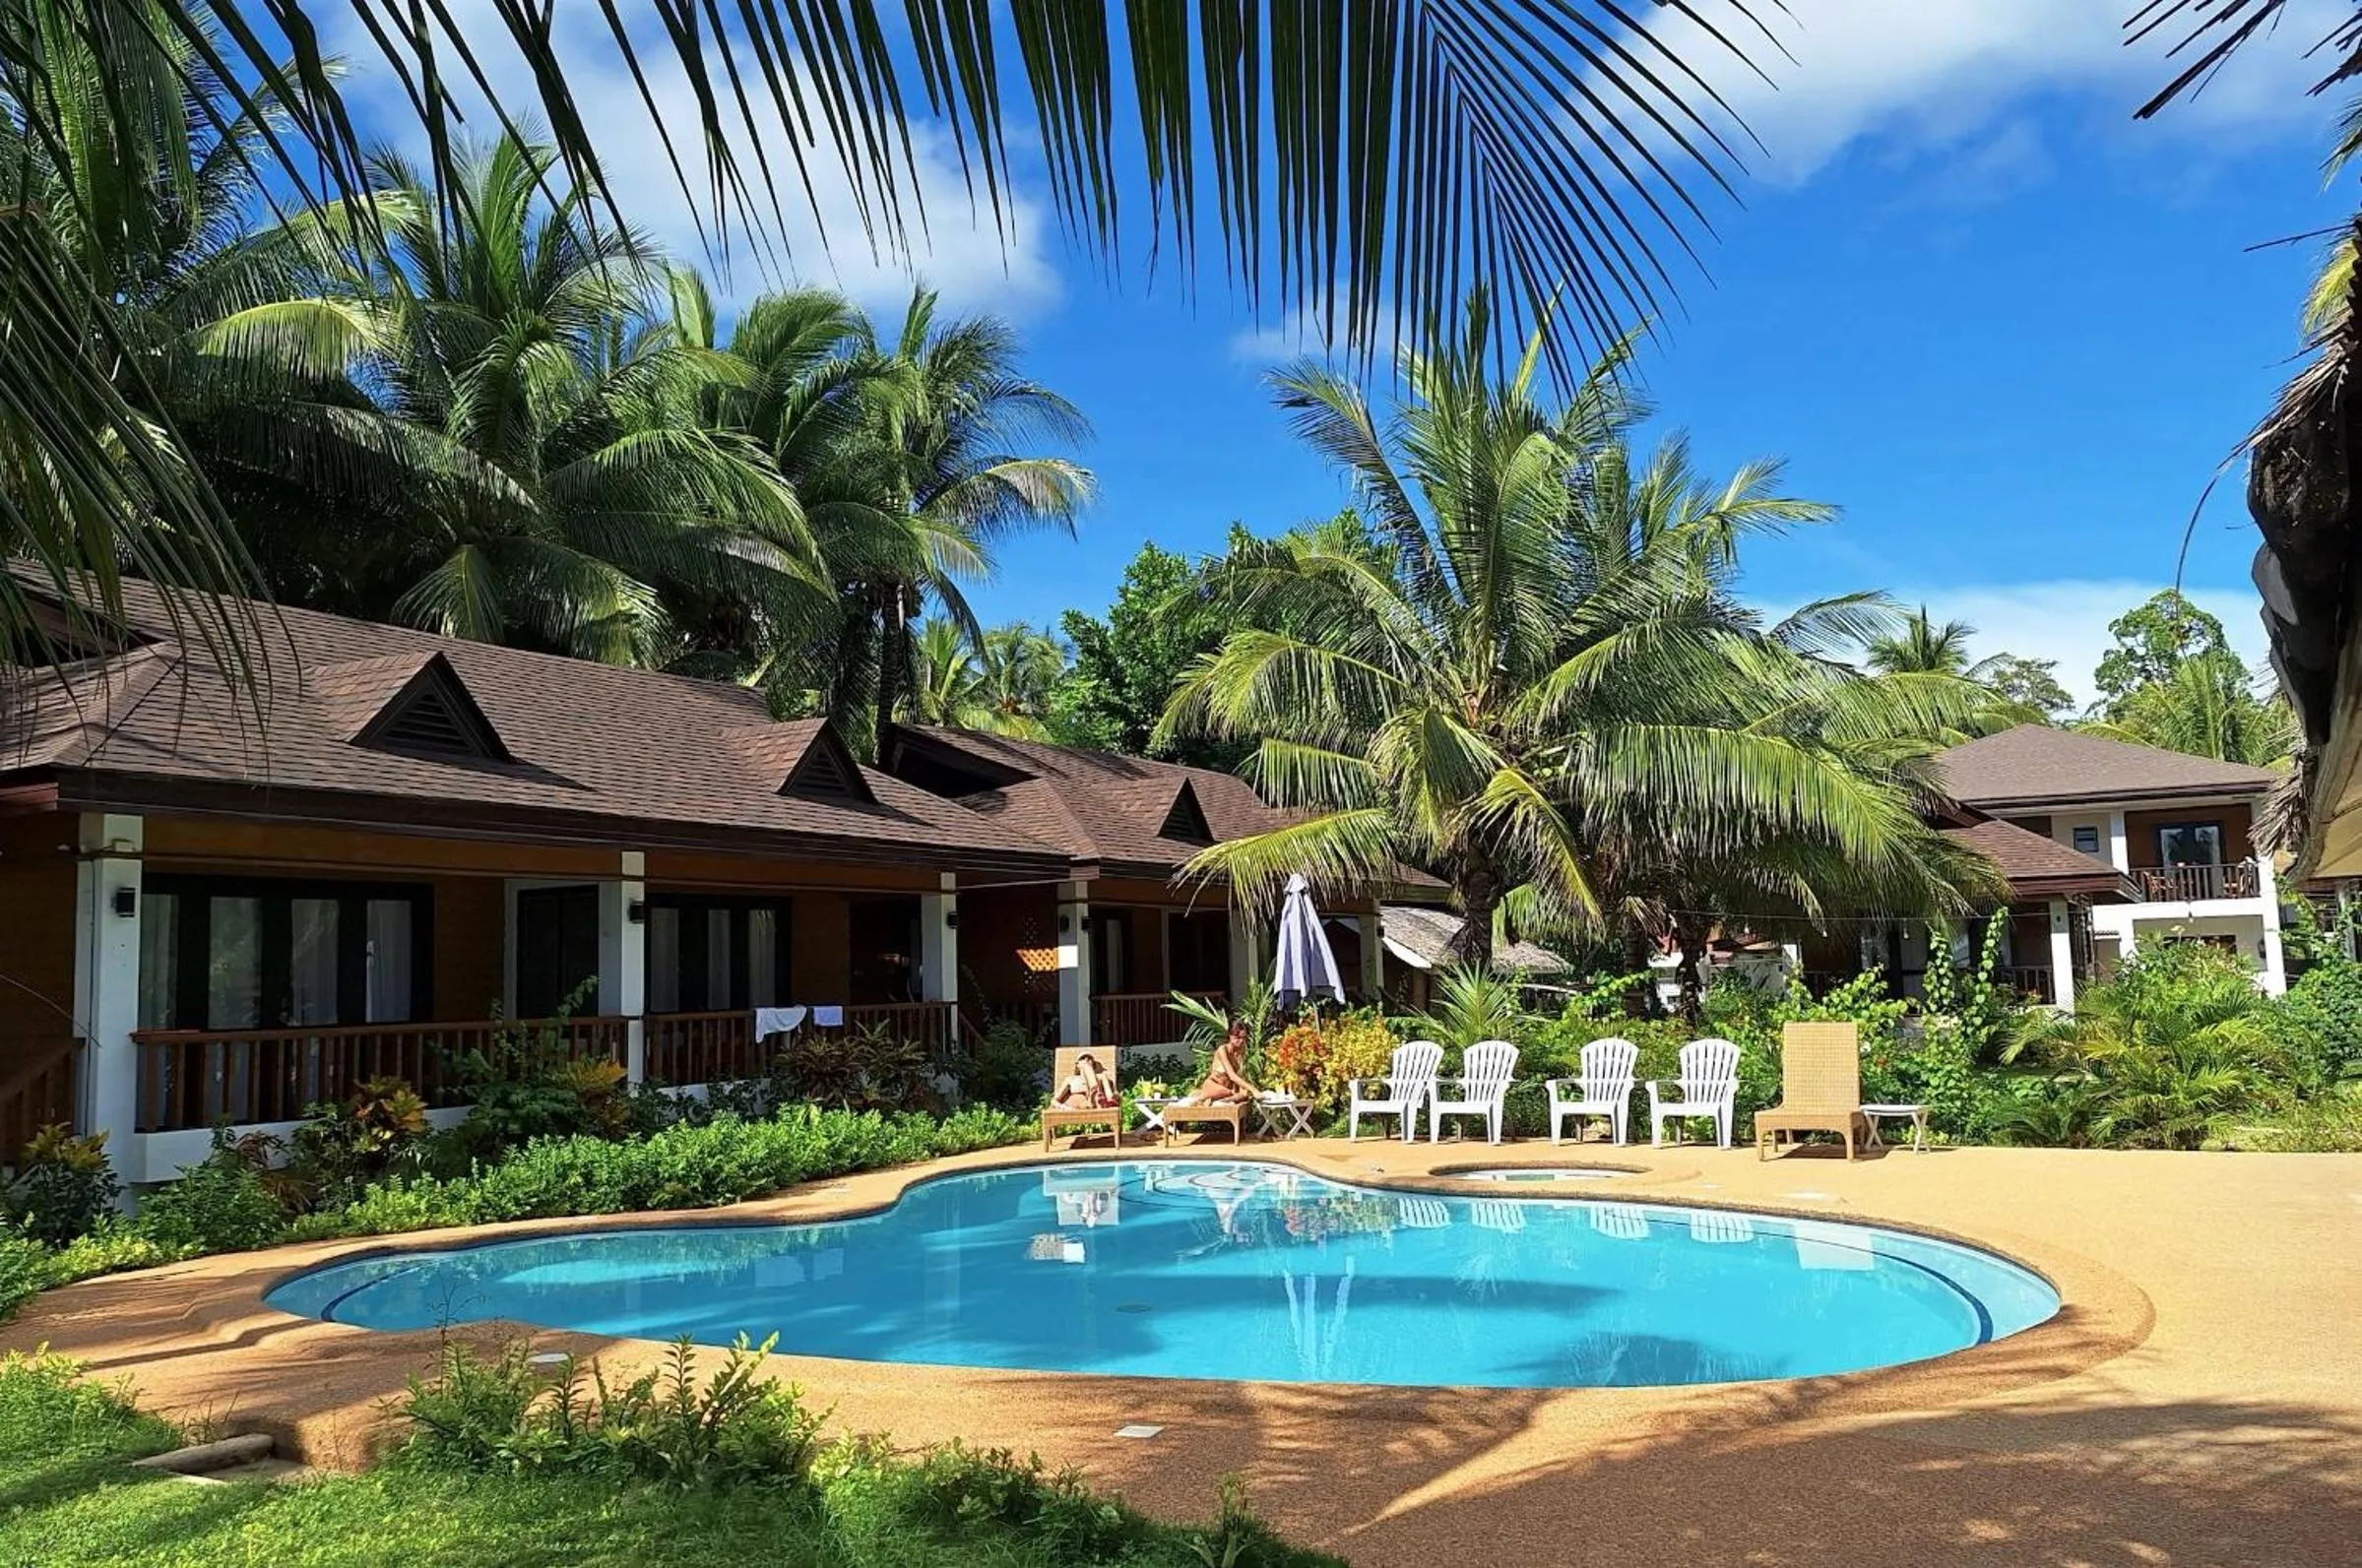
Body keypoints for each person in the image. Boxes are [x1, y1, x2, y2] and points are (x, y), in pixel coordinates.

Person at [1177, 1019, 1257, 1105]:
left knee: (1243, 1094)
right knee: (1235, 1093)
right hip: (1214, 1087)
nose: (1241, 1041)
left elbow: (1240, 1075)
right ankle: (1207, 1099)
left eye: (1243, 1038)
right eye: (1237, 1038)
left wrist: (1244, 1091)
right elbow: (1232, 1075)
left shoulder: (1242, 1051)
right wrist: (1254, 1090)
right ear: (1230, 1036)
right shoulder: (1222, 1050)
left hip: (1229, 1091)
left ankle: (1220, 1101)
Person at [1053, 1051, 1117, 1109]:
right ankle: (1092, 1096)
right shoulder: (1070, 1079)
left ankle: (1093, 1096)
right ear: (1077, 1065)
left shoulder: (1101, 1076)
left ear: (1093, 1064)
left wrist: (1112, 1097)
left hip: (1095, 1104)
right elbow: (1055, 1100)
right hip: (1073, 1108)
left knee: (1096, 1095)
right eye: (1082, 1058)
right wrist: (1063, 1107)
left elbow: (1110, 1095)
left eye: (1089, 1058)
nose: (1086, 1059)